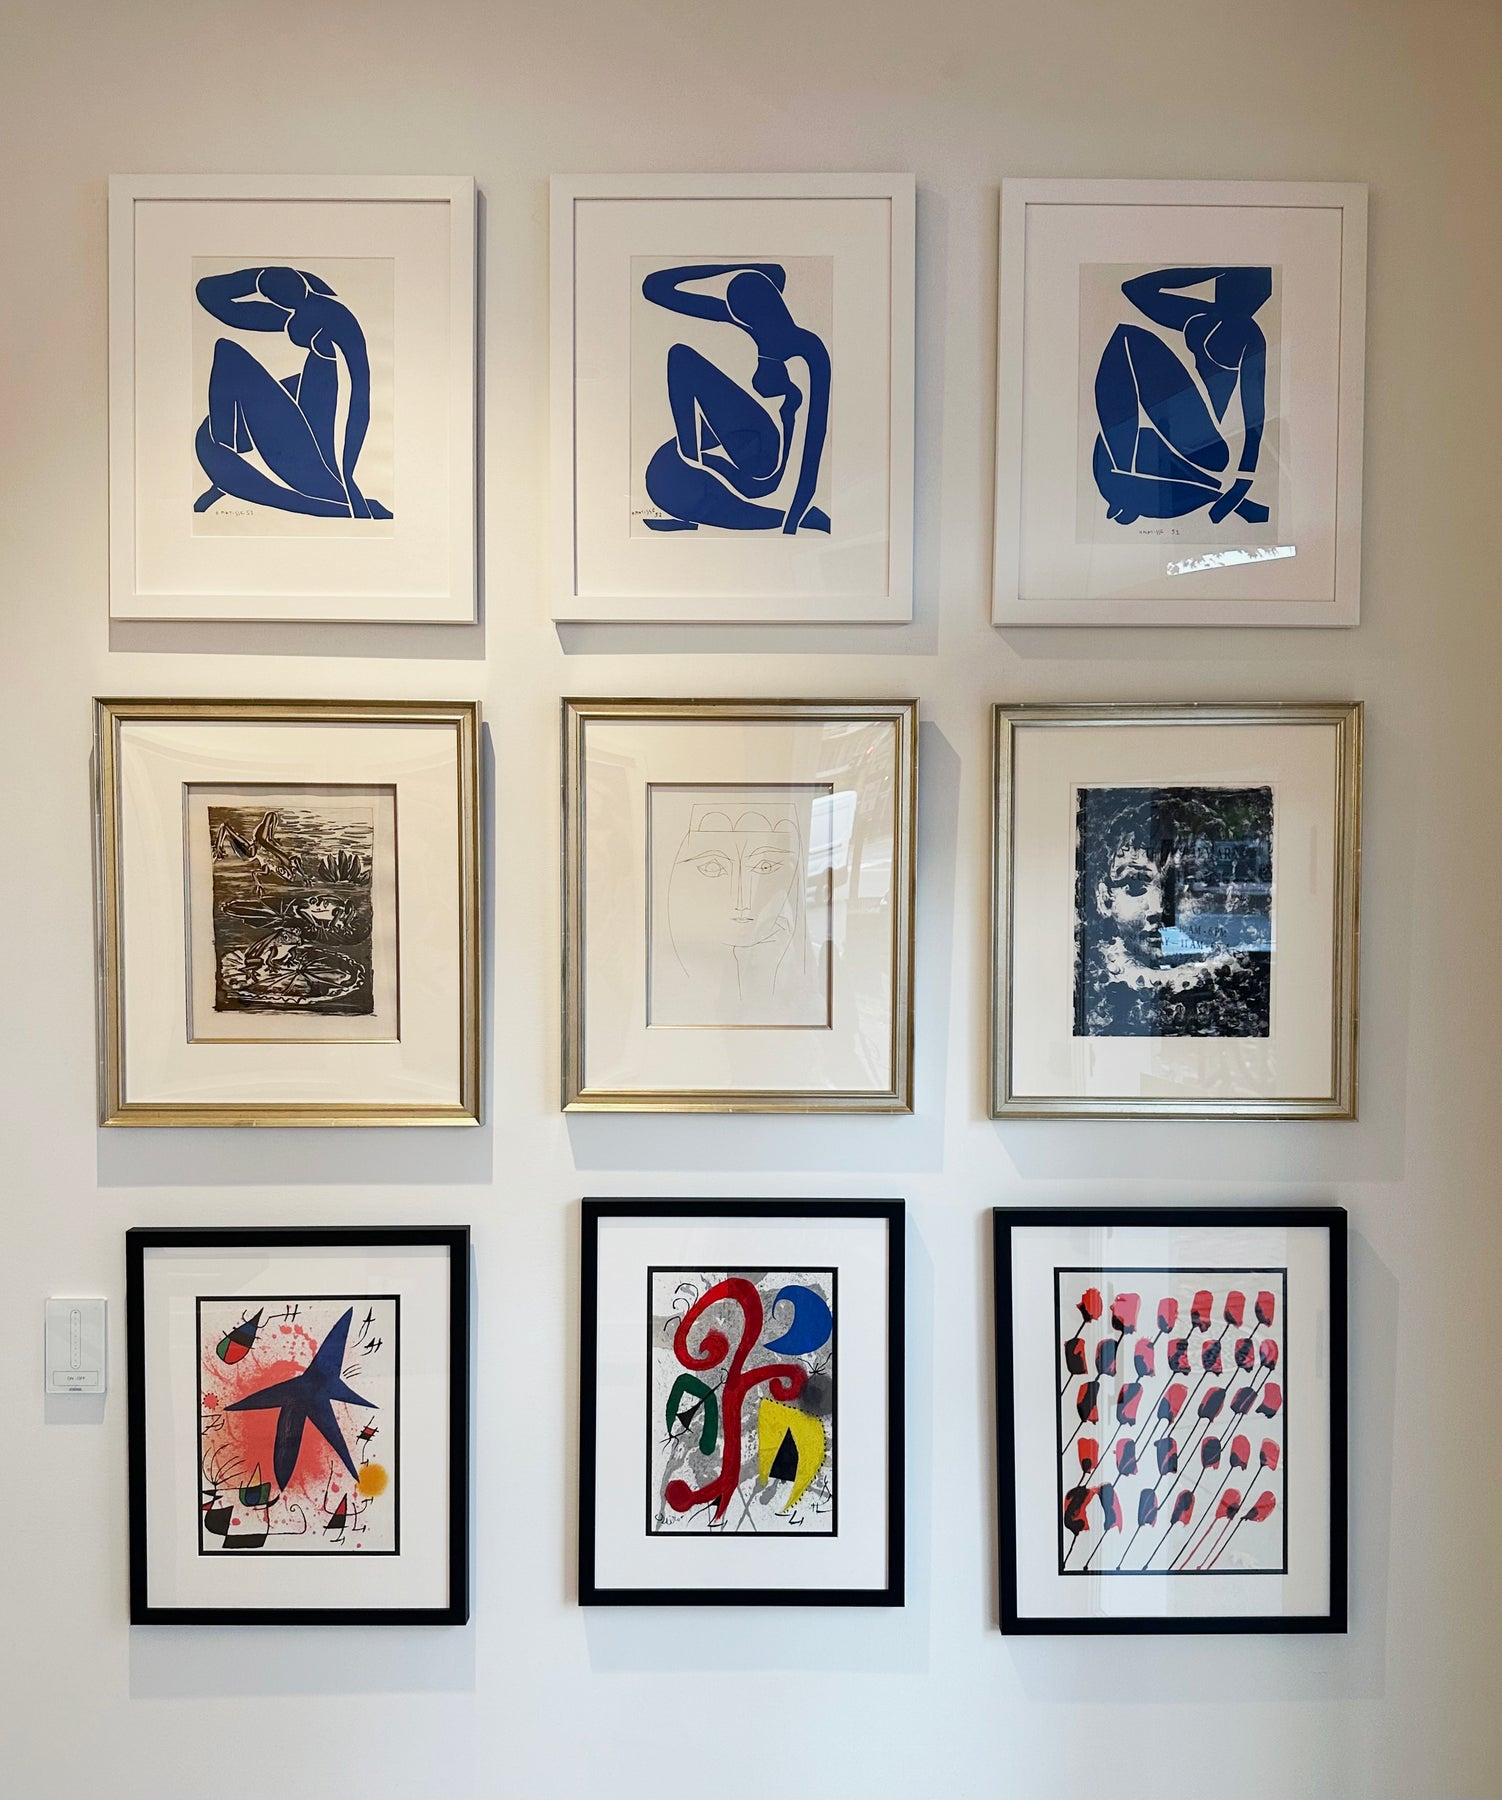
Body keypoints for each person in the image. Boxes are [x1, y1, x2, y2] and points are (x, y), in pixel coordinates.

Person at [640, 263, 830, 534]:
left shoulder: (808, 350)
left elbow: (814, 440)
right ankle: (692, 483)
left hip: (766, 462)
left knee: (681, 358)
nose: (732, 318)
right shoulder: (750, 322)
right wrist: (744, 266)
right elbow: (656, 288)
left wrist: (793, 520)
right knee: (663, 468)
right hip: (745, 441)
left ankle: (693, 466)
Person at [192, 265, 391, 520]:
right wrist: (264, 279)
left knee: (228, 353)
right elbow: (213, 297)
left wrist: (348, 481)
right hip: (313, 458)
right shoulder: (318, 316)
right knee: (293, 382)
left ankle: (229, 457)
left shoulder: (317, 321)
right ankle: (232, 461)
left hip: (311, 467)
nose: (288, 323)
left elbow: (358, 407)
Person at [1073, 787, 1272, 1037]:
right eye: (1135, 885)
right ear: (1104, 899)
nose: (1160, 908)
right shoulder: (1091, 991)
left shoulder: (1250, 993)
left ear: (1228, 898)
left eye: (1189, 886)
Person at [1091, 265, 1271, 530]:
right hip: (1185, 427)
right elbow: (1134, 289)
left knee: (1129, 339)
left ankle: (1128, 483)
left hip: (1212, 445)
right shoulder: (1201, 316)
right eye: (1224, 280)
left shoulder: (1249, 335)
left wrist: (1245, 478)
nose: (1225, 288)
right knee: (1126, 337)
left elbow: (1254, 410)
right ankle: (1124, 470)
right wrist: (1214, 268)